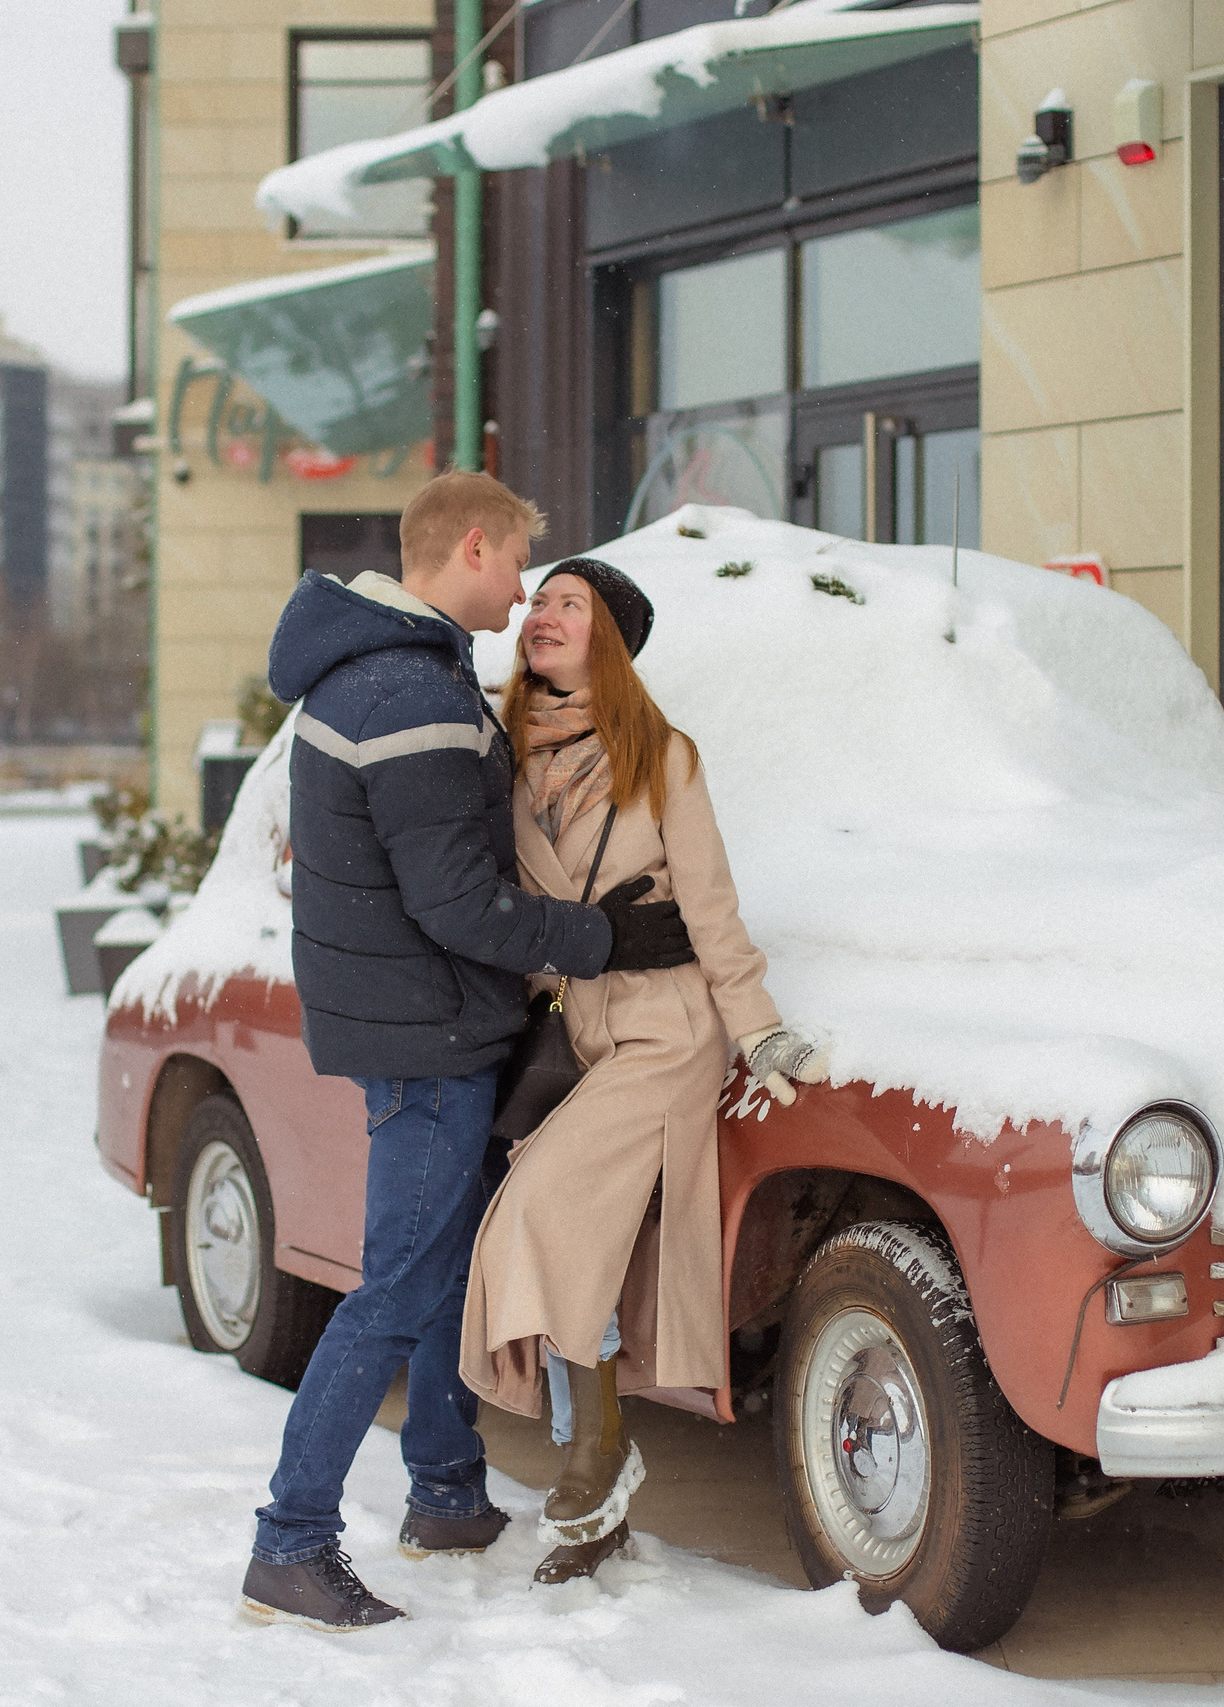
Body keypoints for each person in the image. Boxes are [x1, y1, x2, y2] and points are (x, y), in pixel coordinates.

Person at [240, 475, 701, 1633]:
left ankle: (446, 1493)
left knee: (445, 1265)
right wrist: (604, 939)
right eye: (520, 567)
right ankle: (290, 1542)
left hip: (413, 1016)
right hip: (429, 1029)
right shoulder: (411, 689)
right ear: (477, 548)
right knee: (398, 1283)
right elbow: (458, 902)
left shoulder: (387, 666)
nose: (525, 593)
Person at [459, 558, 828, 1585]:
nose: (542, 614)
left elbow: (710, 905)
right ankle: (597, 1500)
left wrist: (759, 1028)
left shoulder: (660, 756)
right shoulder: (501, 750)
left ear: (609, 640)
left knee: (542, 1207)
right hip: (572, 1031)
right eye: (540, 600)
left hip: (665, 1033)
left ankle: (596, 1454)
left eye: (569, 606)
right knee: (590, 1245)